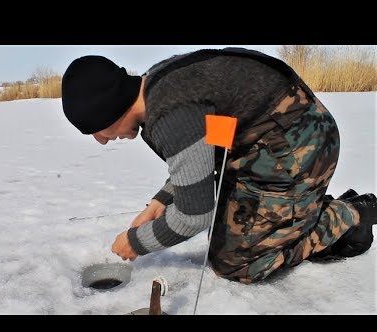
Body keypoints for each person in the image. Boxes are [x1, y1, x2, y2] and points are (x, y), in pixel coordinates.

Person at [61, 47, 376, 283]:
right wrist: (162, 200)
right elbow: (207, 150)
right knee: (227, 228)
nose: (102, 141)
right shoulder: (158, 85)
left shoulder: (170, 114)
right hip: (267, 146)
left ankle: (349, 216)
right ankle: (299, 209)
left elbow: (194, 215)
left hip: (298, 151)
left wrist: (135, 243)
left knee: (236, 264)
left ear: (108, 112)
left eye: (96, 131)